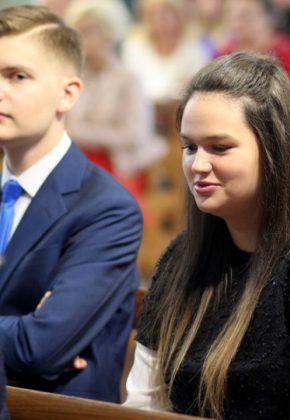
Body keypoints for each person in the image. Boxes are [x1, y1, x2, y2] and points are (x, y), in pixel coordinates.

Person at [124, 51, 290, 419]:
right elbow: (142, 406)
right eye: (190, 147)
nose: (197, 165)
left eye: (219, 147)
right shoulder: (183, 256)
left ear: (274, 148)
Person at [0, 5, 142, 403]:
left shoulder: (107, 209)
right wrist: (23, 328)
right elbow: (29, 344)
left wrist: (36, 339)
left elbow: (39, 348)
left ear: (68, 94)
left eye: (18, 76)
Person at [65, 0, 166, 199]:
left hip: (120, 165)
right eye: (77, 32)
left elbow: (134, 134)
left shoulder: (128, 79)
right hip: (78, 162)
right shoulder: (74, 78)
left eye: (88, 31)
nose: (82, 39)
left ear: (108, 32)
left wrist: (84, 134)